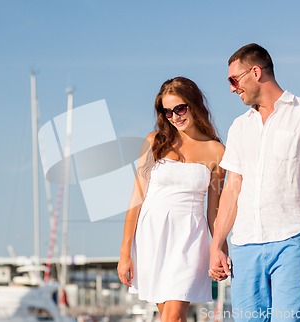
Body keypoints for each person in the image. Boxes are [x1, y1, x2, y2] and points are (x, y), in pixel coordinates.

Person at [209, 43, 300, 322]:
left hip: (291, 239)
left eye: (234, 80)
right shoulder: (239, 127)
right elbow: (232, 190)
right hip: (245, 245)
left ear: (255, 72)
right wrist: (217, 244)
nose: (232, 88)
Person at [118, 76, 226, 322]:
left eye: (180, 108)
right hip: (152, 236)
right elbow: (136, 199)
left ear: (194, 104)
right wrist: (125, 253)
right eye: (167, 112)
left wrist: (219, 247)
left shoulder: (217, 152)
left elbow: (214, 211)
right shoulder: (154, 142)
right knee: (169, 316)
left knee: (174, 317)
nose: (175, 117)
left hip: (189, 238)